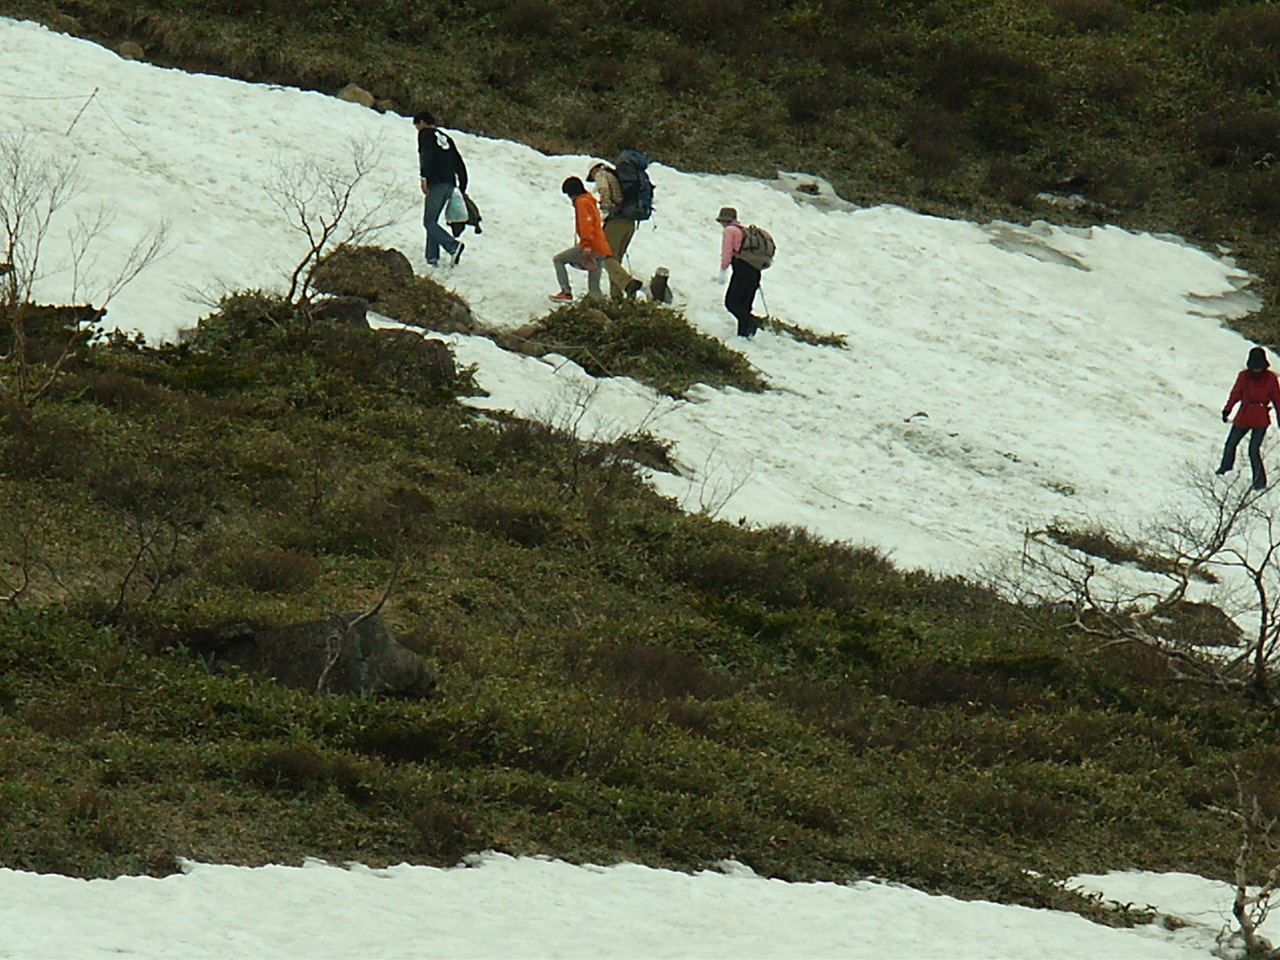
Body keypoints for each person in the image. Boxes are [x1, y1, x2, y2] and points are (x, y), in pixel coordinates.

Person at [1218, 346, 1280, 490]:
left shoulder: (1271, 378)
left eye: (1259, 367)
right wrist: (1227, 409)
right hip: (1244, 416)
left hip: (1261, 419)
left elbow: (1277, 400)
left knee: (1253, 450)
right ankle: (1225, 469)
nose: (1257, 370)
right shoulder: (1243, 376)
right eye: (1254, 367)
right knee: (1230, 444)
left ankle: (1259, 482)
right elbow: (1236, 394)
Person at [414, 111, 468, 267]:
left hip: (436, 182)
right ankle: (432, 257)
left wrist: (424, 177)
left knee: (429, 222)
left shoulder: (425, 135)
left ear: (422, 122)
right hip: (450, 183)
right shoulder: (446, 138)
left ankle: (453, 246)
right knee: (433, 221)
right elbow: (459, 162)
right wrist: (462, 186)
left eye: (417, 125)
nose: (417, 129)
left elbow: (426, 155)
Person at [549, 177, 611, 302]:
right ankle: (602, 310)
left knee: (558, 260)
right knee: (594, 289)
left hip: (590, 245)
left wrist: (586, 245)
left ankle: (566, 292)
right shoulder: (589, 200)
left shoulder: (581, 202)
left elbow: (586, 224)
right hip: (601, 248)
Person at [587, 161, 642, 300]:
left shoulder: (601, 174)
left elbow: (604, 191)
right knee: (616, 260)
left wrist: (604, 209)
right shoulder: (616, 176)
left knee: (605, 256)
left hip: (616, 220)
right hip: (630, 222)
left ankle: (628, 283)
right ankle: (617, 296)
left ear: (594, 170)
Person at [717, 206, 764, 337]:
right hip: (755, 270)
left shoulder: (730, 231)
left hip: (742, 269)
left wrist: (723, 269)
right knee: (745, 303)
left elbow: (727, 252)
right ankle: (744, 334)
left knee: (731, 302)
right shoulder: (744, 230)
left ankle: (752, 322)